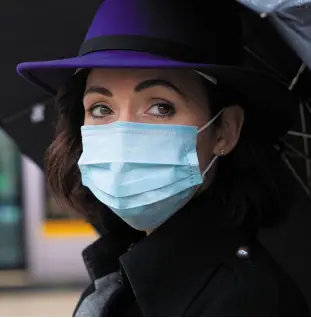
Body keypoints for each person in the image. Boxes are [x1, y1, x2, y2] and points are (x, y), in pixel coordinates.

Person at [17, 0, 309, 316]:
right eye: (101, 108)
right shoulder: (116, 276)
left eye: (160, 107)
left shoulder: (247, 301)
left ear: (225, 130)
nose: (123, 133)